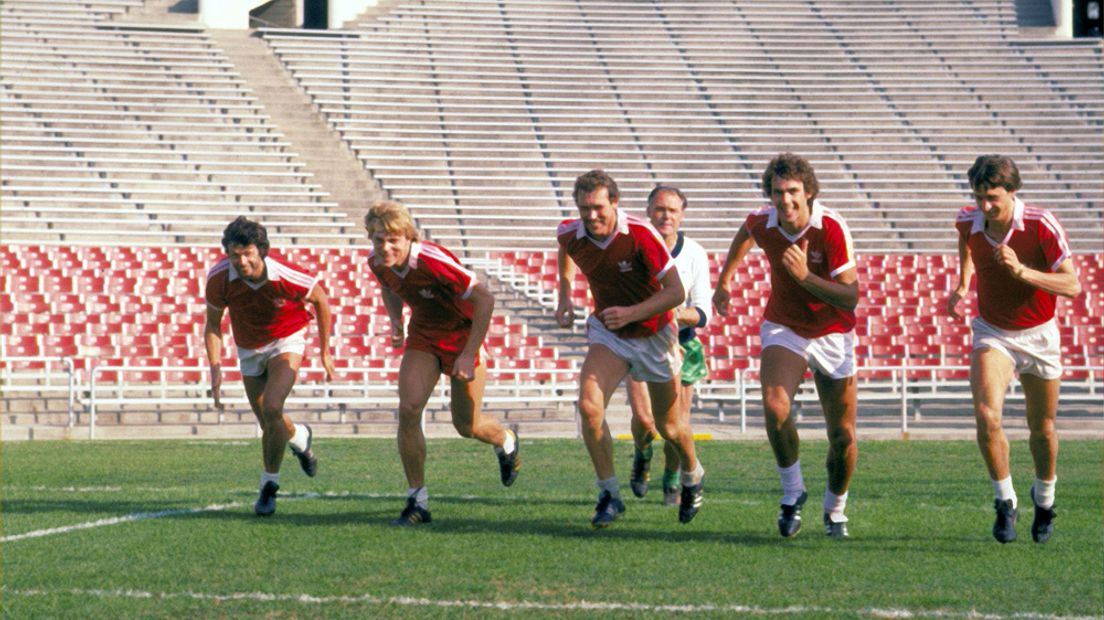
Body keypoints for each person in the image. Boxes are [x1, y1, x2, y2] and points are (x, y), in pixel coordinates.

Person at [713, 153, 859, 539]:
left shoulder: (830, 227)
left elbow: (850, 296)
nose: (786, 200)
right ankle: (793, 495)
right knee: (775, 407)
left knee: (842, 436)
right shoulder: (764, 220)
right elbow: (745, 233)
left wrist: (805, 276)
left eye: (793, 191)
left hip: (833, 332)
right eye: (778, 192)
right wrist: (725, 279)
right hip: (785, 327)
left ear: (808, 192)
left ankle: (836, 510)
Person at [556, 169, 705, 528]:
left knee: (669, 428)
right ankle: (609, 493)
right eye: (583, 209)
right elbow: (565, 249)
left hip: (655, 335)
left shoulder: (640, 234)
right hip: (610, 333)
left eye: (597, 208)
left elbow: (675, 293)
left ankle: (693, 473)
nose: (591, 216)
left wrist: (632, 314)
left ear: (615, 203)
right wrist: (564, 294)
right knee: (589, 406)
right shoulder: (570, 232)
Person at [947, 154, 1081, 544]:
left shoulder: (1041, 224)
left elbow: (1072, 286)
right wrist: (961, 286)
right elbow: (966, 244)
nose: (985, 206)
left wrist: (1023, 271)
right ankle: (1005, 502)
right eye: (978, 198)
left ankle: (1045, 499)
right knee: (987, 416)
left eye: (992, 198)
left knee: (1042, 430)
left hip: (1040, 335)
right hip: (993, 332)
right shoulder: (968, 220)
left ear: (1012, 192)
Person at [365, 200, 520, 526]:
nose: (385, 246)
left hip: (462, 336)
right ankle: (417, 500)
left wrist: (468, 353)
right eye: (379, 239)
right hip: (424, 335)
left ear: (409, 237)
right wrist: (396, 320)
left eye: (393, 240)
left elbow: (484, 299)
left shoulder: (431, 260)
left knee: (467, 426)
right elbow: (389, 286)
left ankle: (506, 440)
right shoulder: (377, 262)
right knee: (408, 409)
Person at [205, 216, 334, 516]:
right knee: (269, 424)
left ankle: (269, 486)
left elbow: (321, 300)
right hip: (249, 348)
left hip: (286, 340)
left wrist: (326, 352)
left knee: (272, 408)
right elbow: (212, 326)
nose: (241, 261)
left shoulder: (284, 274)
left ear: (261, 250)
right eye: (234, 254)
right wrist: (215, 366)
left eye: (247, 253)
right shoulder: (219, 278)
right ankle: (300, 438)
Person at [625, 185, 713, 506]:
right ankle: (642, 452)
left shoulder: (695, 253)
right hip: (637, 340)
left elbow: (704, 312)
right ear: (649, 211)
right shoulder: (633, 246)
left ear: (682, 215)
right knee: (646, 421)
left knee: (676, 425)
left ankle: (672, 480)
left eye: (672, 210)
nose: (666, 216)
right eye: (660, 209)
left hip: (680, 345)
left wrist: (673, 311)